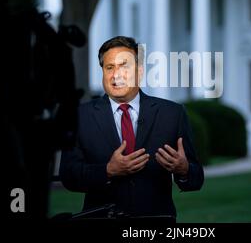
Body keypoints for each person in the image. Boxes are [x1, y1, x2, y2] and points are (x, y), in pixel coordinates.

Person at [60, 36, 204, 219]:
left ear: (140, 71)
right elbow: (68, 175)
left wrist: (184, 170)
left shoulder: (172, 114)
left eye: (124, 66)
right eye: (109, 67)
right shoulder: (80, 116)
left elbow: (196, 179)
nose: (116, 75)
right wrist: (108, 170)